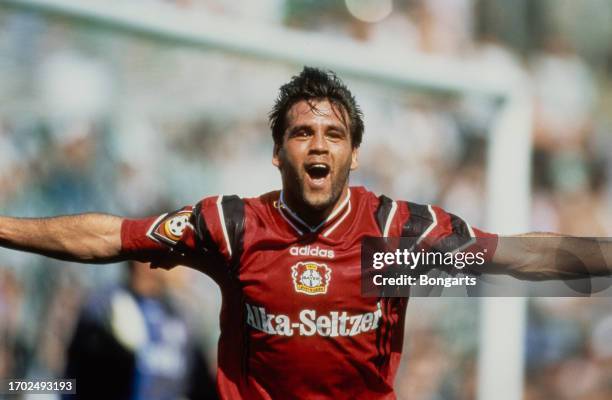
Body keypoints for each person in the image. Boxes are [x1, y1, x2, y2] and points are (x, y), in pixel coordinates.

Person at [0, 67, 610, 399]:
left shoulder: (395, 240)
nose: (318, 144)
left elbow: (515, 258)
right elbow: (112, 237)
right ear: (276, 153)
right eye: (301, 133)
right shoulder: (234, 229)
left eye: (335, 135)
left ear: (354, 156)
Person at [63, 261, 217, 400]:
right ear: (145, 261)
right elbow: (75, 381)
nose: (186, 268)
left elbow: (200, 387)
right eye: (175, 256)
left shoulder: (181, 318)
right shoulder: (105, 308)